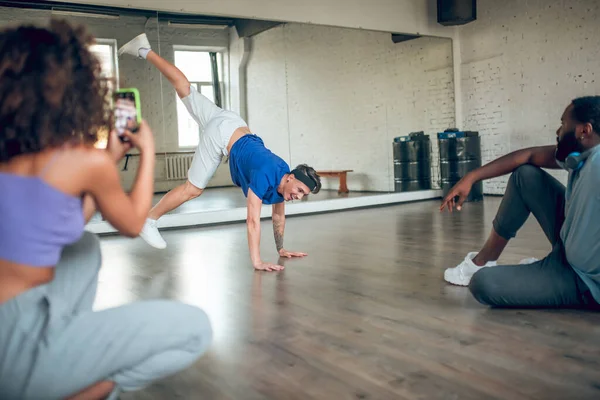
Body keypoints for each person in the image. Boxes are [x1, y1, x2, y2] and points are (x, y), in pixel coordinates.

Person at [0, 20, 212, 400]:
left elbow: (55, 224)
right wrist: (146, 151)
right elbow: (132, 225)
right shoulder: (80, 163)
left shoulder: (17, 160)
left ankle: (64, 346)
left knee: (83, 247)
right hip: (17, 346)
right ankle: (82, 390)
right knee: (195, 328)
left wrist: (109, 159)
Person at [118, 33, 322, 272]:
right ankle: (149, 220)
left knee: (185, 89)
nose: (297, 196)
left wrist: (280, 249)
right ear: (290, 177)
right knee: (193, 189)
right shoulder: (267, 174)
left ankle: (144, 50)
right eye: (299, 190)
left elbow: (278, 217)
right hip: (222, 136)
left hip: (232, 122)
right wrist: (257, 261)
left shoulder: (283, 185)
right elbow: (253, 220)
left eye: (302, 195)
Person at [440, 96, 600, 309]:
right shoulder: (580, 155)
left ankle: (541, 275)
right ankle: (482, 260)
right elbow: (529, 155)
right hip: (567, 247)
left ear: (584, 130)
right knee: (525, 176)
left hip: (581, 281)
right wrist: (471, 177)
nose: (558, 131)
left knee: (484, 283)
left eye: (563, 124)